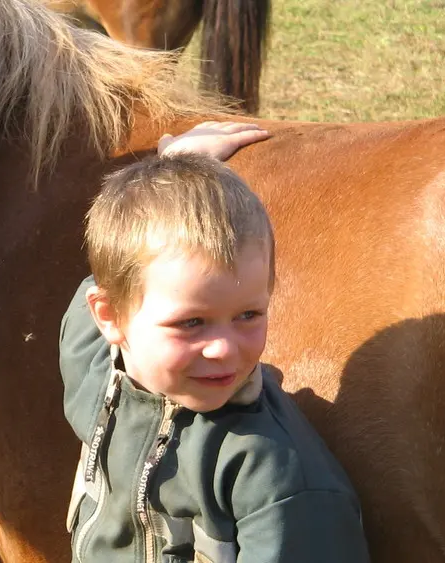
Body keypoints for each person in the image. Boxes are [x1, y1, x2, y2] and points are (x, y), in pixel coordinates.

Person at [61, 122, 371, 562]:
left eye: (248, 315)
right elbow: (112, 279)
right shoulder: (94, 367)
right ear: (110, 318)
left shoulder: (274, 476)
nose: (225, 348)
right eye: (191, 322)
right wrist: (172, 171)